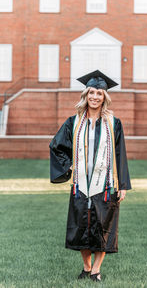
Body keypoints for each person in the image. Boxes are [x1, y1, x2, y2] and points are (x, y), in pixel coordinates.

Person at [49, 70, 131, 282]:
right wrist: (68, 168)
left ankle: (96, 271)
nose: (95, 97)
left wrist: (122, 184)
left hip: (105, 185)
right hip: (81, 185)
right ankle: (86, 267)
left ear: (105, 97)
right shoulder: (73, 122)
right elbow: (56, 146)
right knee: (80, 228)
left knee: (102, 228)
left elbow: (120, 153)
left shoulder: (114, 123)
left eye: (99, 93)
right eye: (91, 92)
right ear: (85, 95)